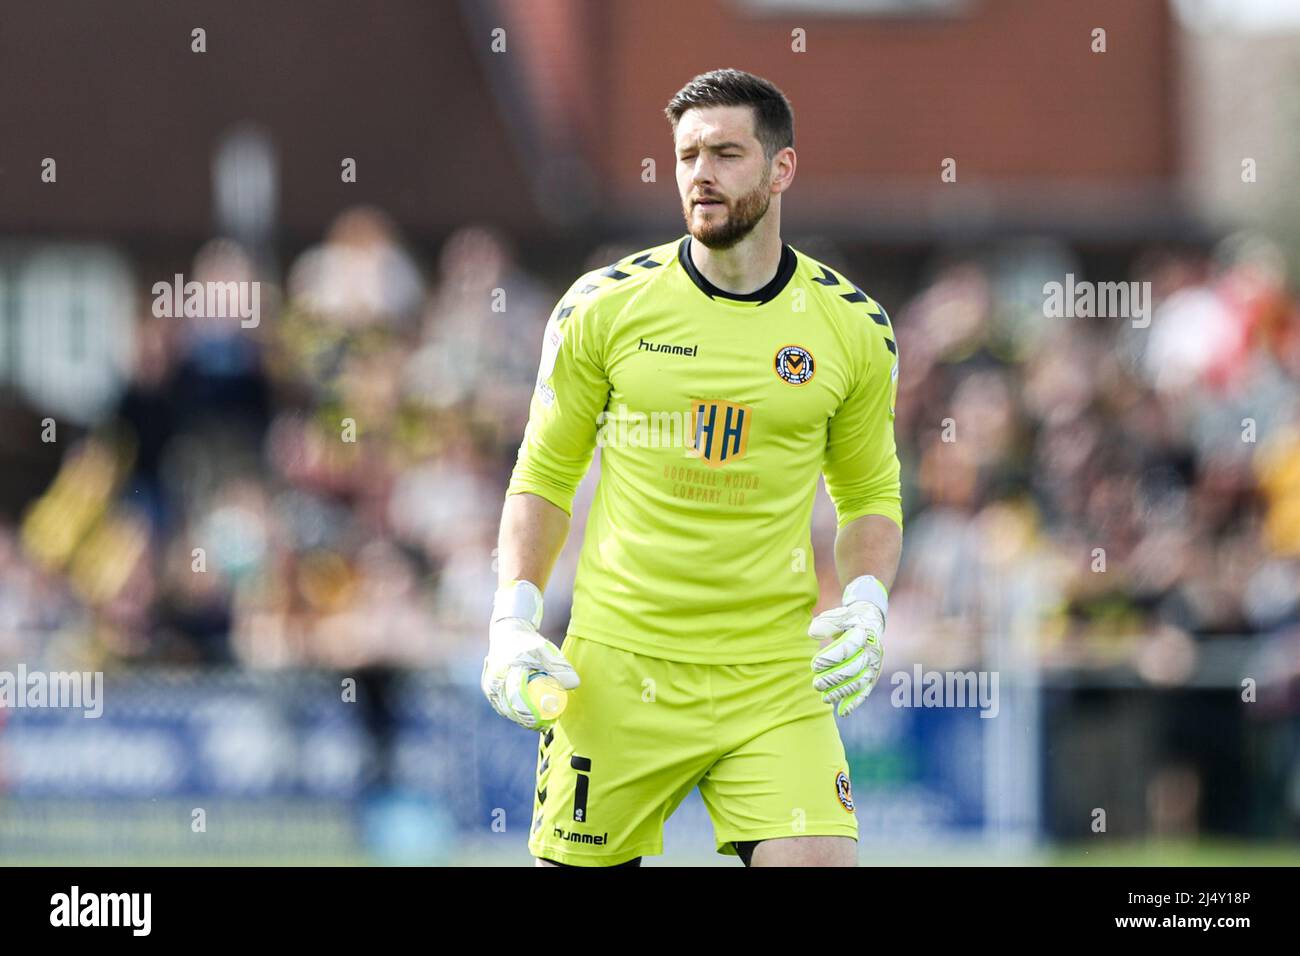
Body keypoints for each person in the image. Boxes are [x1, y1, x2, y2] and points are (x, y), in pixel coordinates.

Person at [482, 68, 903, 867]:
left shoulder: (853, 328)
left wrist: (870, 602)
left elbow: (870, 490)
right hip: (614, 672)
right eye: (686, 156)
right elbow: (542, 475)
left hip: (773, 679)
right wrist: (512, 617)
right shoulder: (601, 308)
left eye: (726, 154)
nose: (700, 175)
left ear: (781, 170)